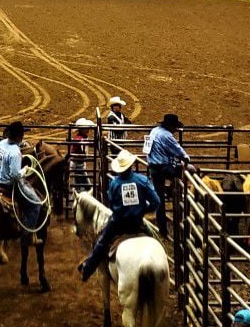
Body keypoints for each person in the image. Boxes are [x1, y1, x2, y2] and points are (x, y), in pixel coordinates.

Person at [78, 149, 160, 282]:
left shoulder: (115, 184)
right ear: (131, 165)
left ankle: (88, 268)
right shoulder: (142, 180)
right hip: (137, 222)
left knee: (102, 242)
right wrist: (143, 209)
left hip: (118, 224)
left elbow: (112, 204)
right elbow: (156, 201)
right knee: (154, 237)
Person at [146, 113, 195, 234]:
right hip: (164, 168)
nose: (175, 130)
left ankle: (162, 228)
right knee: (191, 169)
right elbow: (180, 152)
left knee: (159, 198)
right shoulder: (167, 135)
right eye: (174, 128)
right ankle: (173, 190)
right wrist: (186, 158)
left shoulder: (154, 131)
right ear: (171, 127)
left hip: (153, 167)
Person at [0, 121, 42, 229]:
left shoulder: (1, 143)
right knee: (36, 204)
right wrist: (24, 170)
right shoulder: (15, 152)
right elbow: (15, 176)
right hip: (7, 184)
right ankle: (27, 233)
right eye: (22, 134)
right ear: (19, 136)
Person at [69, 118, 95, 187]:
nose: (87, 130)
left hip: (79, 163)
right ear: (81, 130)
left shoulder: (82, 138)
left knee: (77, 182)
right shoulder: (79, 139)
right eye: (85, 128)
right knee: (83, 183)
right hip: (77, 164)